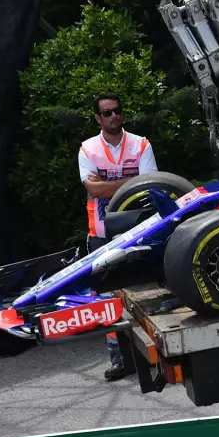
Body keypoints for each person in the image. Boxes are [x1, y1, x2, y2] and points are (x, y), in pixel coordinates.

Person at [78, 92, 158, 381]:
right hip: (101, 234)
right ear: (98, 118)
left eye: (117, 111)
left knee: (145, 294)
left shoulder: (141, 144)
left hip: (140, 230)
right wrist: (131, 180)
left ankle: (154, 356)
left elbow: (149, 185)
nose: (113, 116)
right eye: (107, 112)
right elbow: (94, 191)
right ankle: (120, 360)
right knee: (109, 300)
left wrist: (108, 183)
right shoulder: (87, 149)